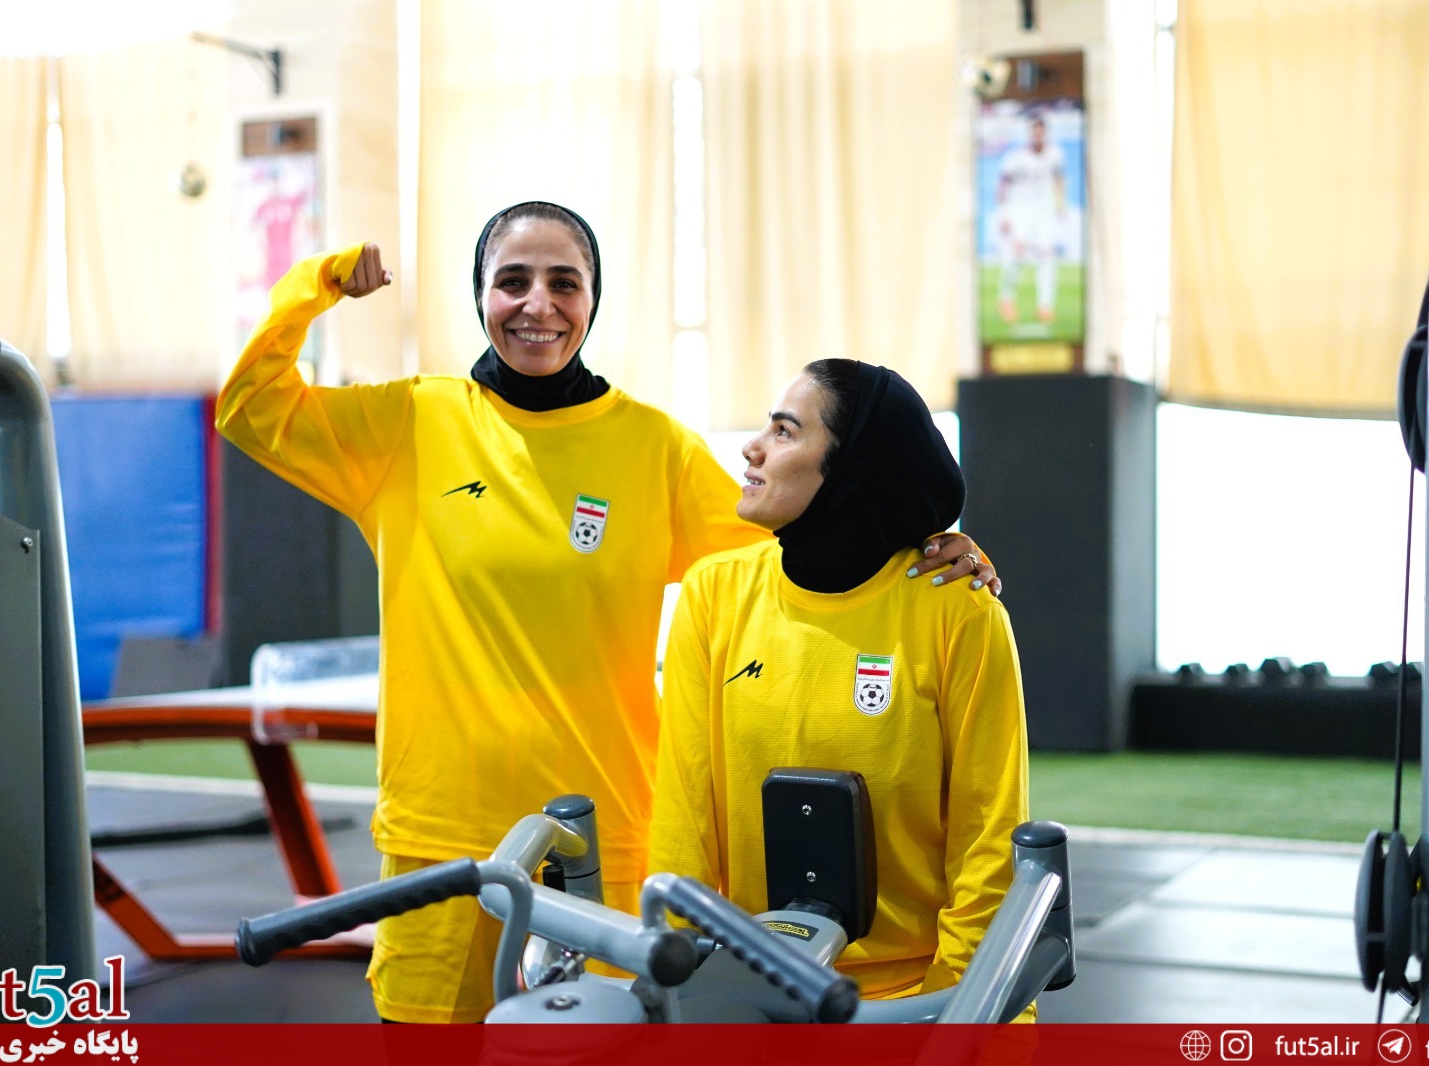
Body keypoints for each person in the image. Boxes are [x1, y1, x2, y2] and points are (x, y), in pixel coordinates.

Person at [215, 202, 998, 1023]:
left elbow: (811, 539)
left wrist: (928, 544)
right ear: (478, 295)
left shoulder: (653, 448)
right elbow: (249, 406)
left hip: (608, 836)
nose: (538, 304)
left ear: (594, 298)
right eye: (512, 281)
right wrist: (318, 283)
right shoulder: (408, 423)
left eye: (565, 282)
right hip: (440, 834)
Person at [648, 358, 1030, 1011]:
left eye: (785, 431)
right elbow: (684, 815)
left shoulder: (959, 611)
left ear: (853, 466)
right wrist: (681, 979)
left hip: (912, 995)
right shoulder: (712, 594)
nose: (752, 447)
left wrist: (956, 1008)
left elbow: (989, 837)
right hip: (752, 982)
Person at [995, 113, 1066, 326]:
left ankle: (1045, 306)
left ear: (1046, 133)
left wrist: (1060, 205)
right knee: (1017, 255)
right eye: (1034, 132)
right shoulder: (1015, 157)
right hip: (1020, 210)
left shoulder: (1055, 154)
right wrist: (1004, 214)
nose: (1038, 136)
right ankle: (1006, 300)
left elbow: (1058, 179)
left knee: (1047, 256)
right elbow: (1003, 184)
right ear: (1029, 134)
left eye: (1041, 132)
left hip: (1043, 211)